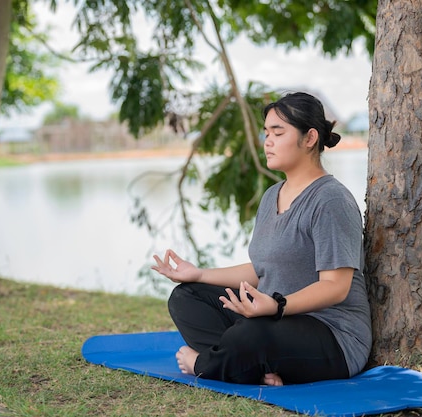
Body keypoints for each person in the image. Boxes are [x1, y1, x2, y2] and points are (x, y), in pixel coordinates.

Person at [152, 92, 372, 386]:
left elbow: (336, 287)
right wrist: (200, 273)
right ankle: (254, 368)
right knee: (187, 296)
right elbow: (260, 270)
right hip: (272, 319)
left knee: (251, 335)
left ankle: (205, 364)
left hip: (330, 333)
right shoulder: (272, 197)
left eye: (277, 133)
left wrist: (276, 306)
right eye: (266, 132)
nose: (267, 141)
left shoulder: (331, 200)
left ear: (309, 138)